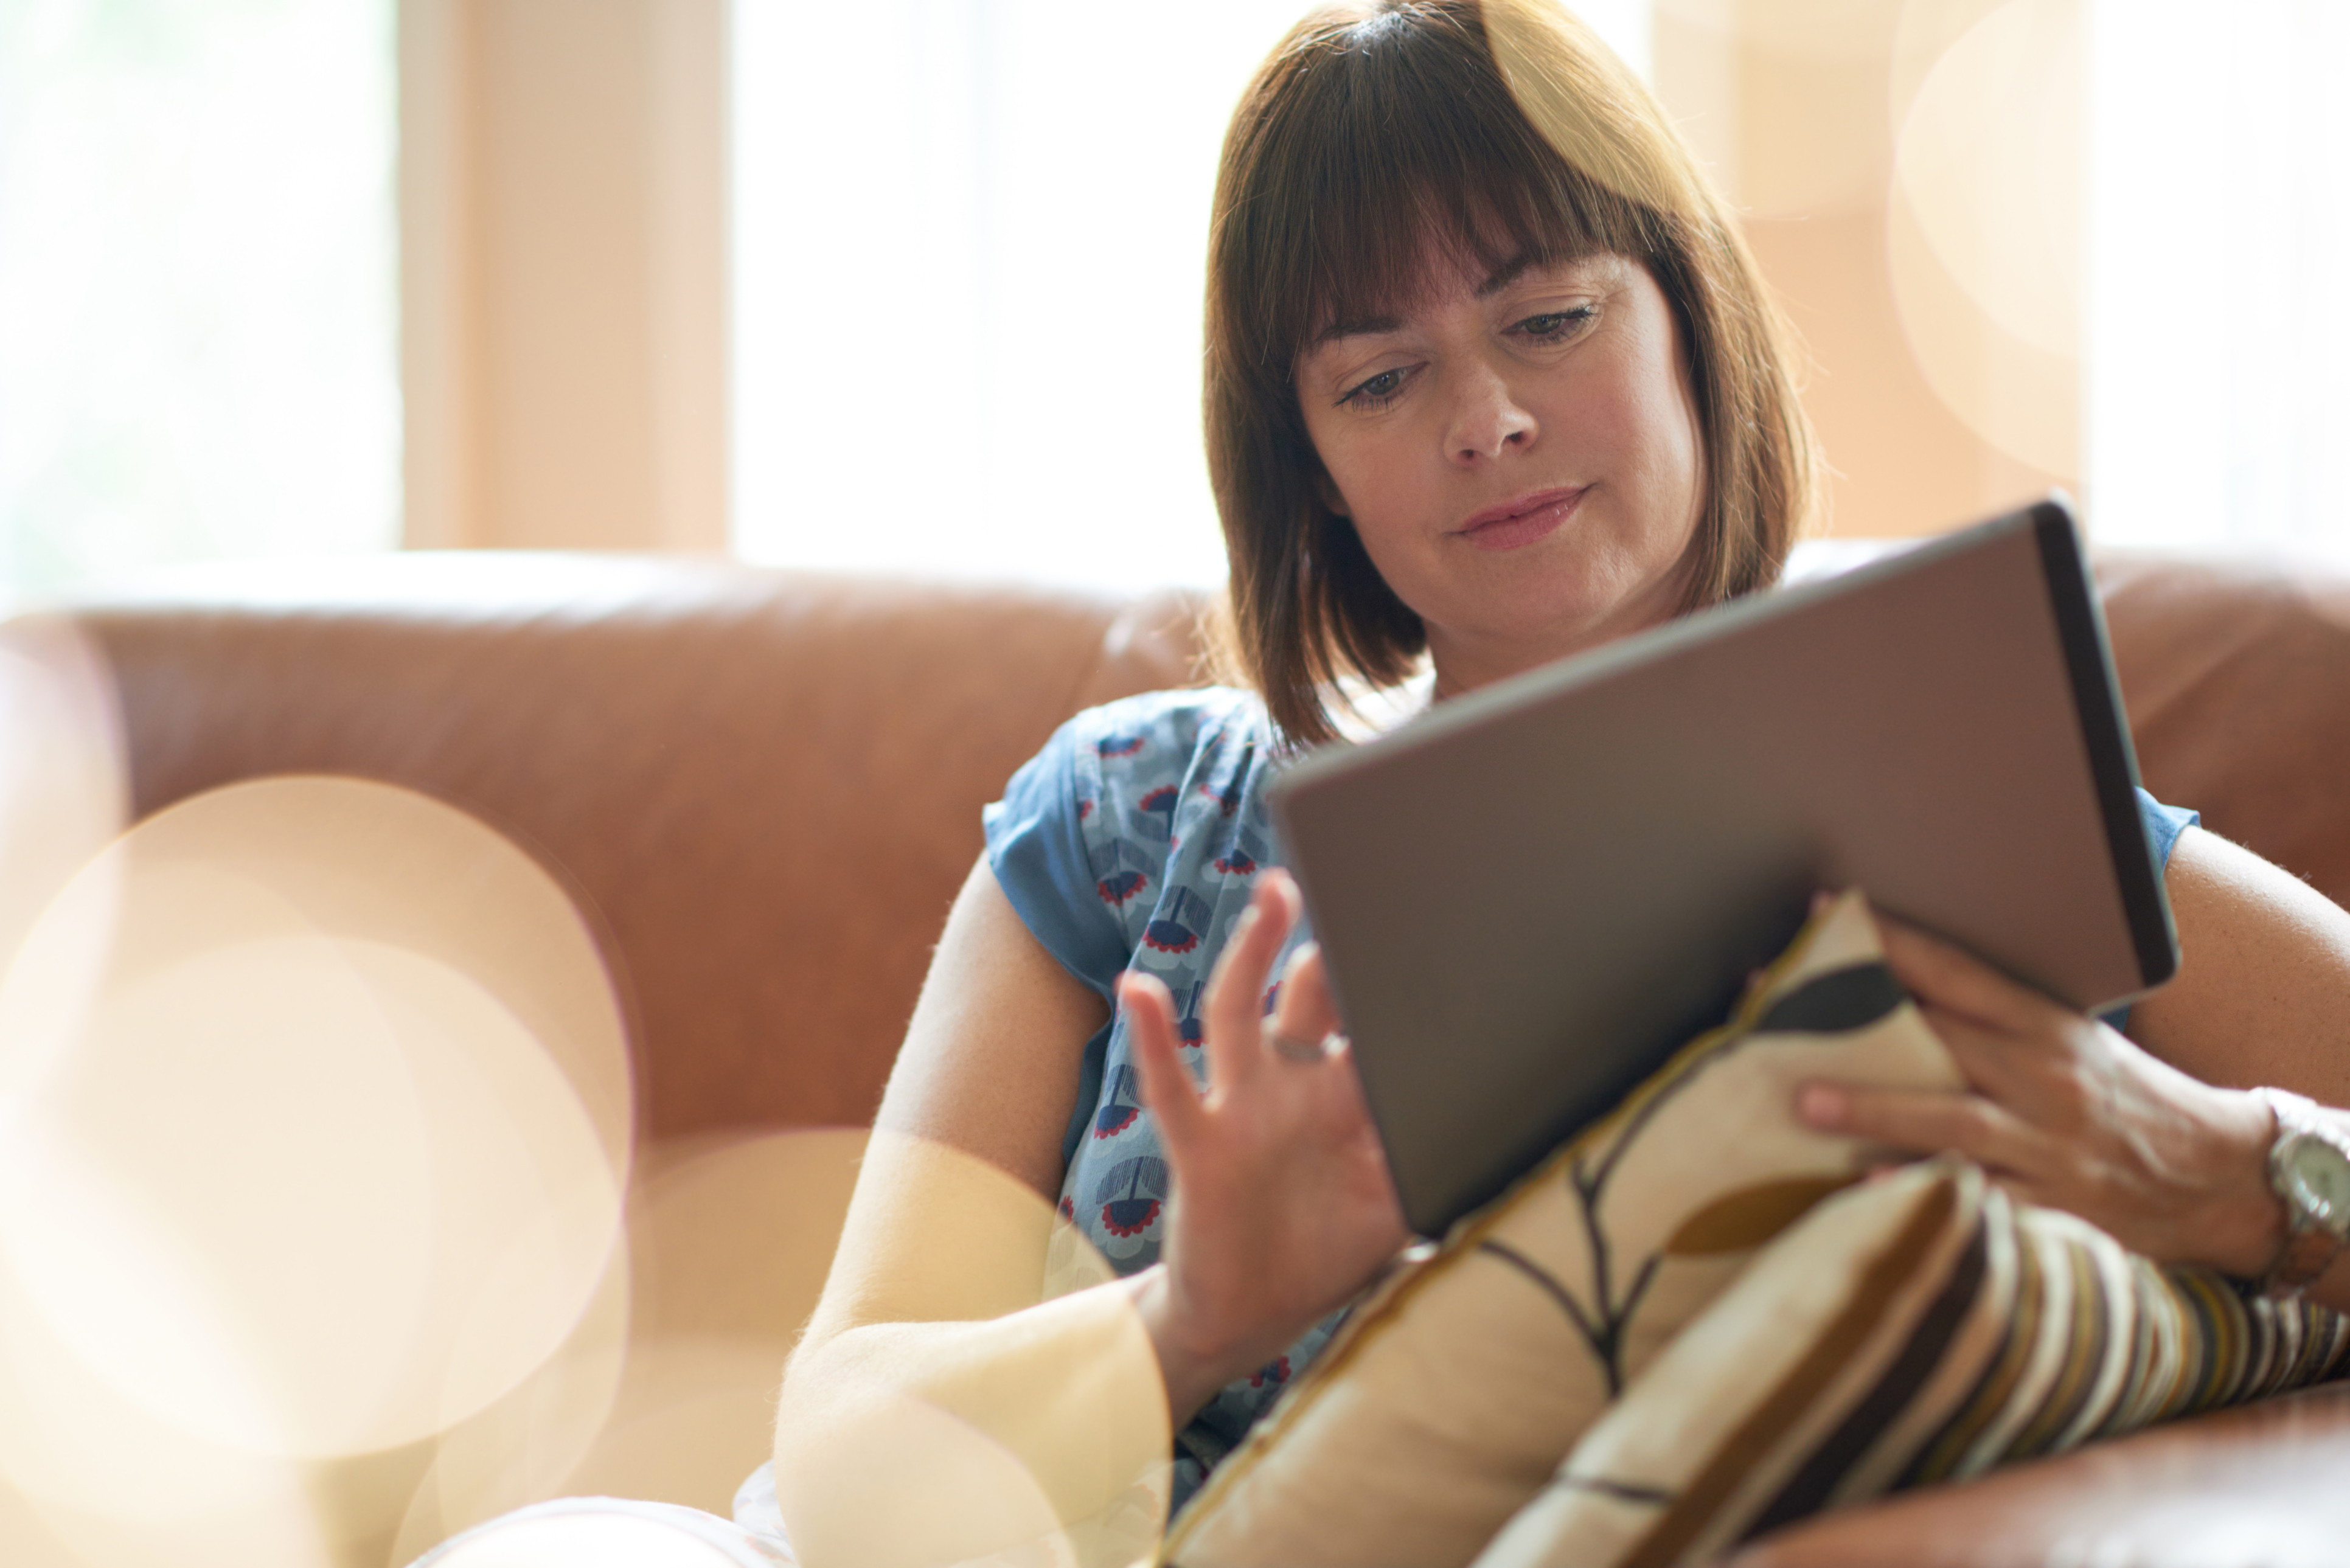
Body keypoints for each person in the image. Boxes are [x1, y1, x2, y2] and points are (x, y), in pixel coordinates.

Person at [770, 0, 2350, 1556]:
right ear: (1310, 473)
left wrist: (2222, 1168)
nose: (1489, 419)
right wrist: (1185, 1318)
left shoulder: (1955, 789)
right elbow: (840, 1455)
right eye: (1380, 379)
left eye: (1548, 320)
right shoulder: (1135, 823)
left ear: (1688, 319)